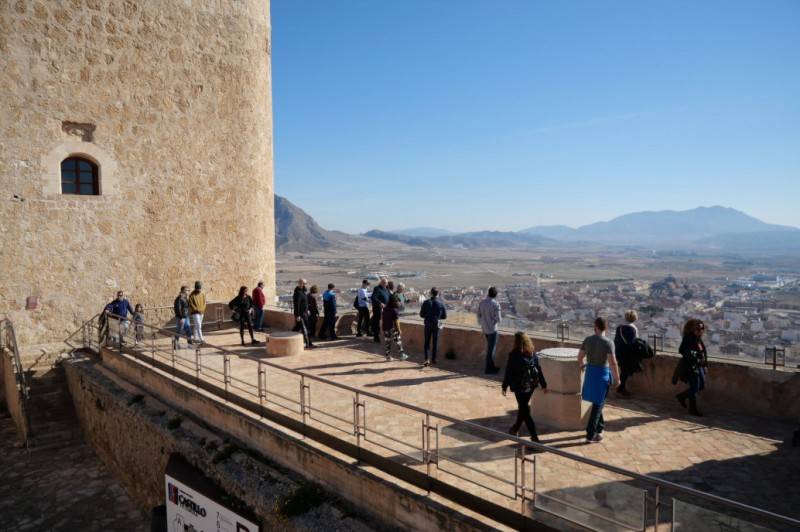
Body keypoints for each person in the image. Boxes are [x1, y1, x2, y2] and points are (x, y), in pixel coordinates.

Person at [578, 317, 621, 444]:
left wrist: (582, 365)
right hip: (602, 374)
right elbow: (613, 362)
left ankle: (600, 430)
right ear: (606, 327)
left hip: (590, 373)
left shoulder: (588, 340)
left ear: (595, 326)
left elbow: (580, 357)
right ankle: (590, 434)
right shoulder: (608, 343)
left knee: (597, 403)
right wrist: (617, 379)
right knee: (598, 404)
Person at [502, 332, 548, 443]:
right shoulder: (532, 353)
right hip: (531, 386)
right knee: (523, 407)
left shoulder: (514, 355)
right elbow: (538, 369)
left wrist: (504, 386)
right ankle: (515, 428)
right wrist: (544, 384)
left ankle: (535, 438)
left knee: (525, 411)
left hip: (520, 387)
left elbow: (509, 372)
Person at [675, 318, 709, 417]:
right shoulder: (688, 338)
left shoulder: (698, 338)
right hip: (691, 366)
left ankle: (681, 396)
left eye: (702, 328)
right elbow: (681, 350)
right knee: (694, 388)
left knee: (701, 385)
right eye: (698, 329)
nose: (701, 330)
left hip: (700, 366)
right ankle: (692, 409)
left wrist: (705, 365)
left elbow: (703, 353)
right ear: (692, 329)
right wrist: (693, 355)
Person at [613, 310, 640, 397]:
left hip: (619, 352)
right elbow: (633, 342)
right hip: (628, 353)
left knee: (623, 371)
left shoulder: (619, 328)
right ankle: (621, 389)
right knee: (625, 372)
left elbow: (616, 340)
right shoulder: (633, 329)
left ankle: (620, 388)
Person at [419, 287, 447, 367]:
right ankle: (434, 359)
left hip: (428, 324)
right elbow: (444, 316)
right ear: (437, 294)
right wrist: (437, 317)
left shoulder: (426, 302)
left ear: (431, 293)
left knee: (427, 342)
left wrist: (428, 316)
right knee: (435, 342)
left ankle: (426, 359)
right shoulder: (441, 303)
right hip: (436, 325)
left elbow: (421, 315)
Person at [477, 287, 502, 374]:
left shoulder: (482, 303)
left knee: (490, 349)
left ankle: (492, 367)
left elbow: (478, 315)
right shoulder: (496, 304)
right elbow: (499, 319)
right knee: (491, 350)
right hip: (493, 330)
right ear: (495, 295)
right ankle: (489, 369)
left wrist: (483, 323)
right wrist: (492, 321)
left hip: (485, 329)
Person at [382, 295, 409, 361]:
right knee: (398, 342)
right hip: (393, 328)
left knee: (387, 342)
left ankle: (388, 357)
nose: (398, 303)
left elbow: (383, 319)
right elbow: (396, 321)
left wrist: (383, 327)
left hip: (385, 328)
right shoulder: (394, 310)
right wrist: (399, 329)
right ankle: (402, 355)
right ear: (394, 301)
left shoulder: (385, 309)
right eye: (397, 301)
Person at [292, 279, 314, 349]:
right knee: (305, 329)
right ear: (300, 284)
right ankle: (308, 344)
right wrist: (297, 315)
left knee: (299, 328)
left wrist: (307, 310)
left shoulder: (303, 292)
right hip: (301, 315)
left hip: (305, 313)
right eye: (304, 283)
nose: (305, 284)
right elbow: (297, 305)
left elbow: (305, 303)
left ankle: (289, 337)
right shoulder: (298, 293)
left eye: (305, 283)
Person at [371, 277, 391, 343]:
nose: (385, 284)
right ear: (381, 282)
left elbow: (390, 297)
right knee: (377, 323)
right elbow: (373, 297)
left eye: (386, 283)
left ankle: (384, 336)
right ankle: (376, 337)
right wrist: (380, 303)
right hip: (378, 309)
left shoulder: (387, 290)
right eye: (383, 282)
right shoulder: (377, 288)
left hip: (386, 309)